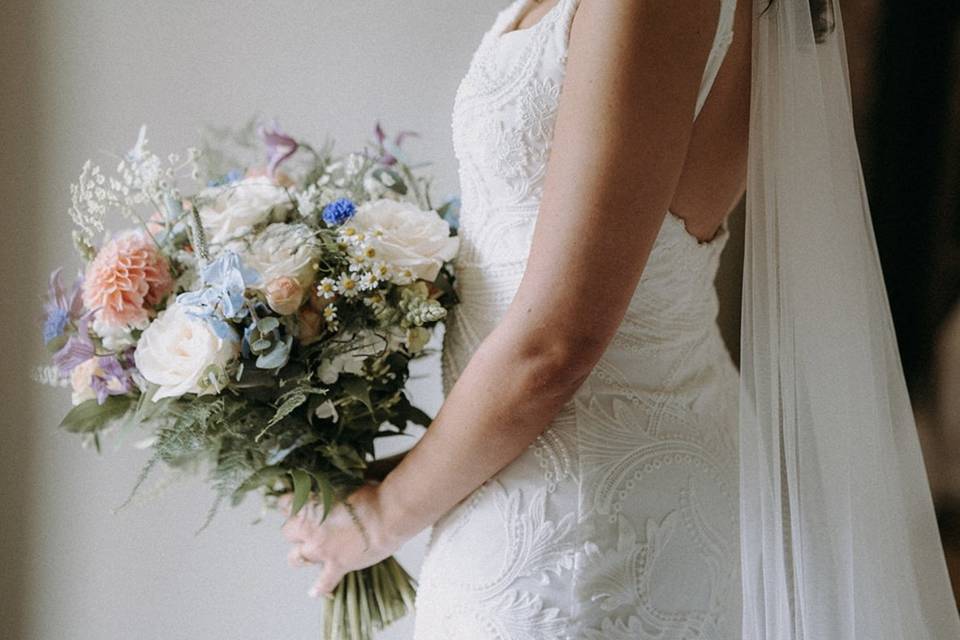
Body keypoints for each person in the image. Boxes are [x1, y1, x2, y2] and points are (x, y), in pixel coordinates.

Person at [280, 1, 960, 638]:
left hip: (583, 530)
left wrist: (381, 521)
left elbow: (556, 344)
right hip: (566, 478)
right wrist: (403, 474)